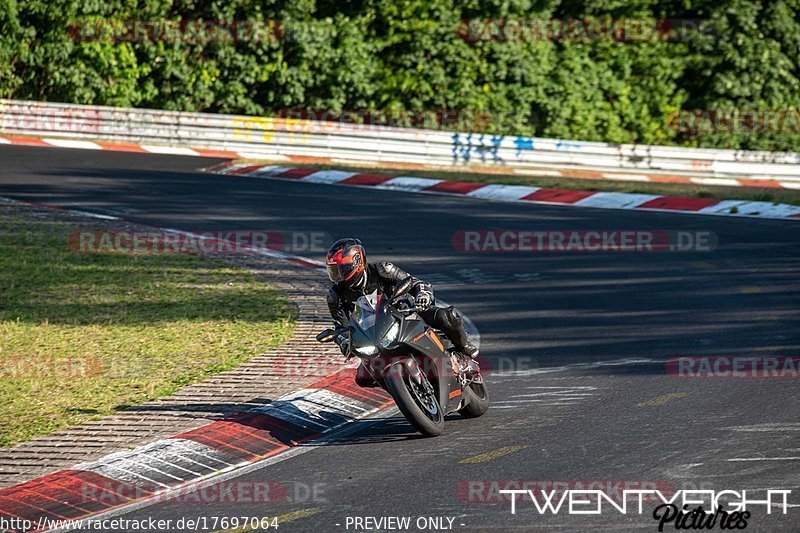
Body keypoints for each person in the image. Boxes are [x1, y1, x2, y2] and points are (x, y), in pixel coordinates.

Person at [325, 238, 478, 386]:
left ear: (357, 262)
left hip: (407, 313)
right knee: (362, 378)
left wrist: (422, 296)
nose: (339, 276)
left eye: (343, 269)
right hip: (373, 334)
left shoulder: (382, 270)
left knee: (446, 316)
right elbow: (341, 326)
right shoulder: (335, 295)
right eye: (334, 271)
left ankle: (464, 349)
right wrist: (344, 341)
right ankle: (400, 387)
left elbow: (416, 283)